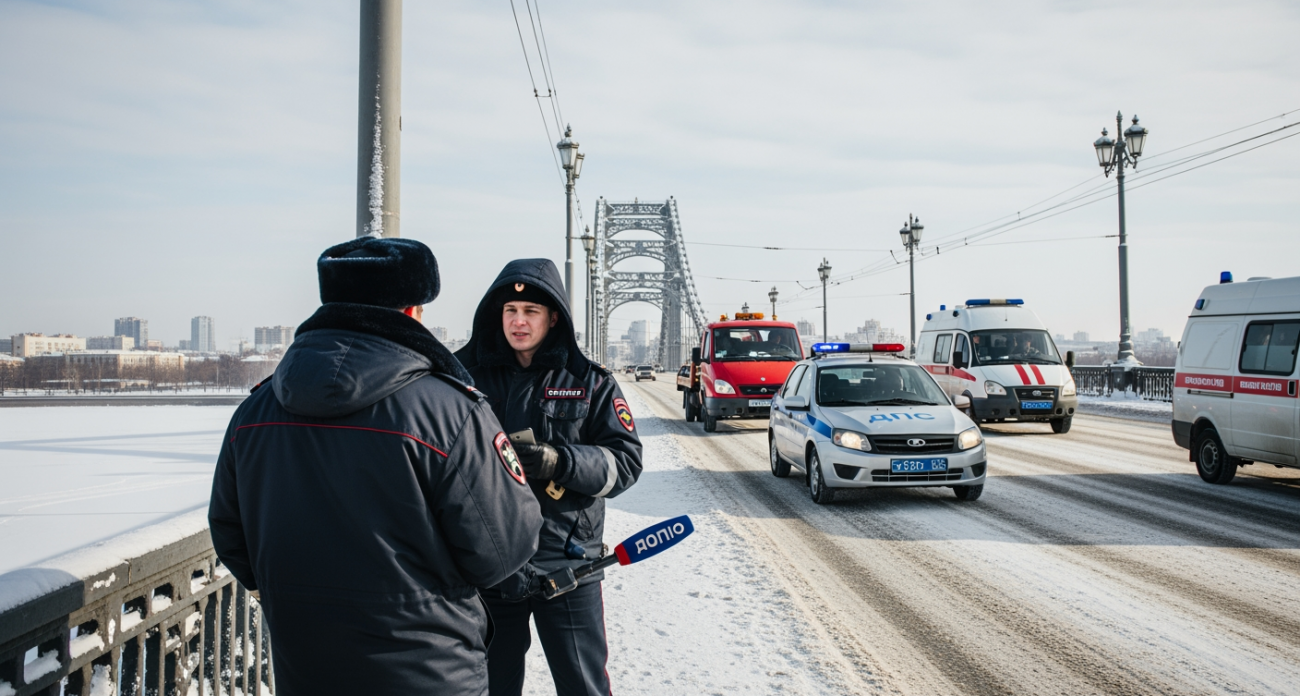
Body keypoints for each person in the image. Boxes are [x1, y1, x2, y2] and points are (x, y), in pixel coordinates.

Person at [209, 237, 544, 696]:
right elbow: (503, 548)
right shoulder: (449, 410)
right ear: (410, 312)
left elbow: (230, 532)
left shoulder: (255, 410)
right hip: (430, 672)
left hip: (304, 668)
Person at [456, 258, 643, 696]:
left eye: (531, 312)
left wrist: (559, 461)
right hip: (492, 566)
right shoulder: (463, 379)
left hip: (569, 566)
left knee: (584, 687)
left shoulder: (591, 383)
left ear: (553, 316)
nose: (518, 322)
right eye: (510, 312)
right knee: (489, 687)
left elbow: (626, 464)